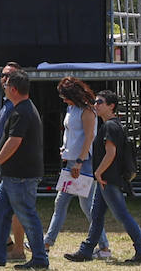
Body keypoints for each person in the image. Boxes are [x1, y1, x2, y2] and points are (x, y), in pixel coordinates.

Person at [64, 89, 141, 264]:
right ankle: (86, 250)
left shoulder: (110, 126)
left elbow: (110, 153)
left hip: (108, 179)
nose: (95, 105)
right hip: (106, 179)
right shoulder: (112, 125)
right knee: (96, 215)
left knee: (122, 215)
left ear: (111, 106)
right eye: (95, 102)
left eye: (100, 102)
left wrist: (98, 172)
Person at [0, 69, 49, 270]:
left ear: (14, 89)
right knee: (0, 209)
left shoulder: (23, 112)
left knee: (26, 215)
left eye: (6, 85)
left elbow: (14, 142)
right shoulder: (17, 109)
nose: (3, 88)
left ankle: (40, 258)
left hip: (22, 176)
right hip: (12, 176)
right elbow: (6, 140)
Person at [42, 77, 111, 258]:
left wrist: (79, 161)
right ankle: (47, 243)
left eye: (65, 96)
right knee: (63, 202)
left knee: (86, 206)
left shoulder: (88, 111)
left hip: (82, 162)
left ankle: (104, 247)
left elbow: (89, 138)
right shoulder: (72, 108)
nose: (63, 100)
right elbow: (72, 133)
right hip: (72, 161)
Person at [0, 62, 27, 261]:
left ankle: (19, 248)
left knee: (17, 208)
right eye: (3, 75)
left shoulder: (17, 107)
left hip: (8, 163)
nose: (4, 79)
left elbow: (13, 139)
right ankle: (8, 243)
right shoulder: (6, 104)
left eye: (8, 76)